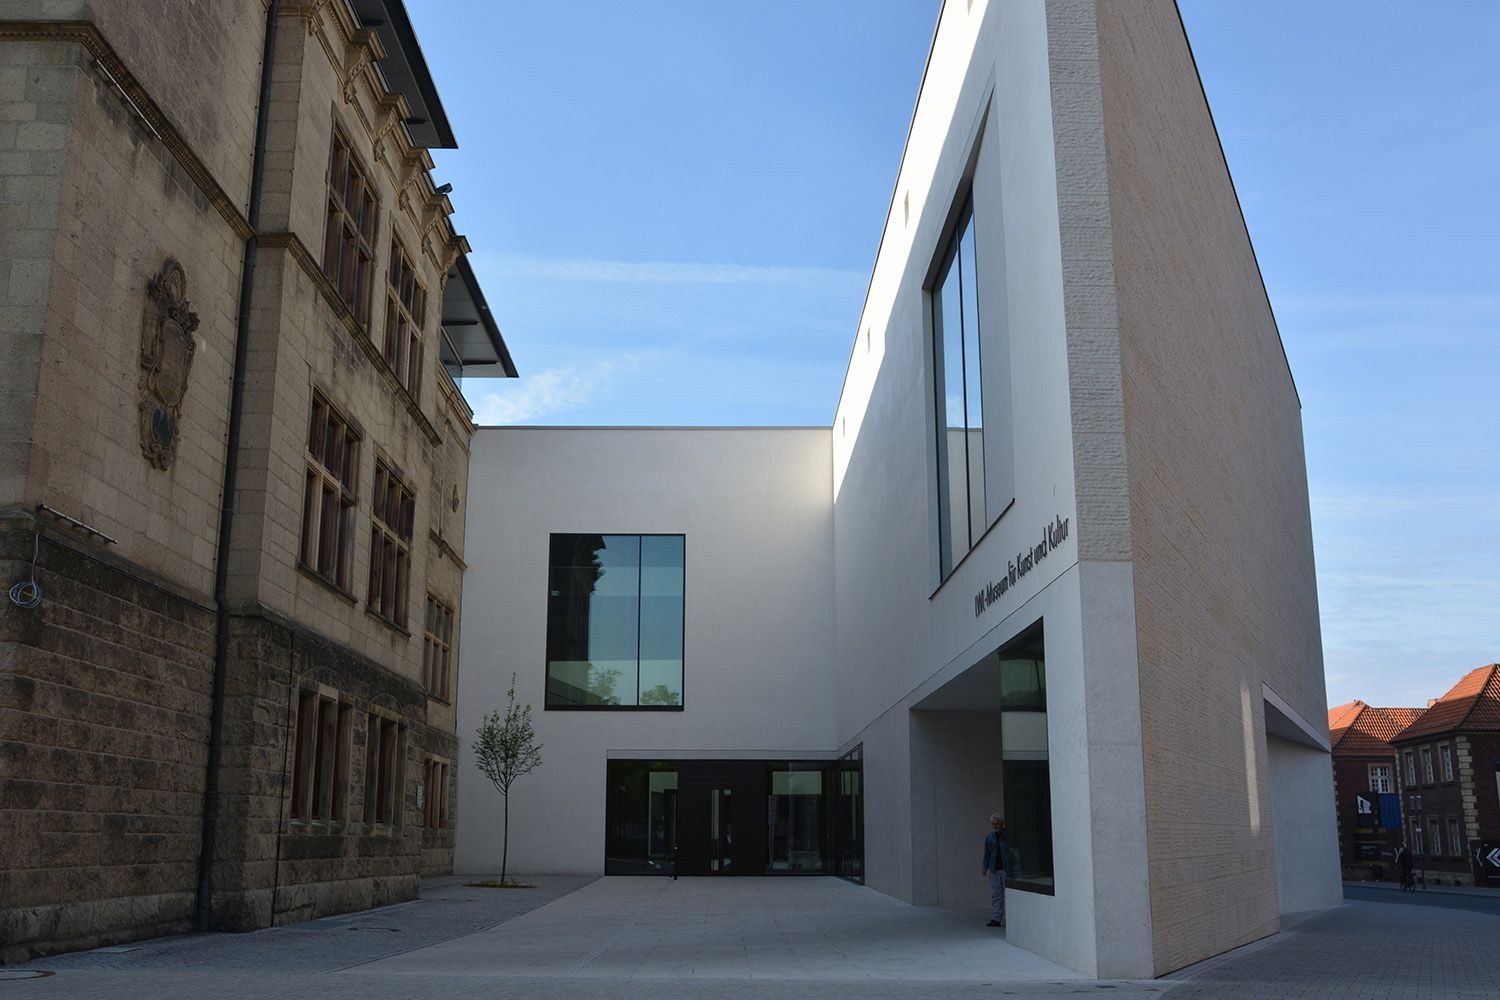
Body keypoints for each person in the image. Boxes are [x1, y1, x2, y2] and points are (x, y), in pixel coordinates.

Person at [982, 814, 1007, 927]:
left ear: (1002, 823)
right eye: (993, 824)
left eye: (996, 823)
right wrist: (985, 867)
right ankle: (996, 918)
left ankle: (1009, 916)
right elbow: (987, 853)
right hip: (994, 869)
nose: (994, 826)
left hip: (1005, 868)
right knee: (996, 894)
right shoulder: (990, 837)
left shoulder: (1006, 836)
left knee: (1008, 893)